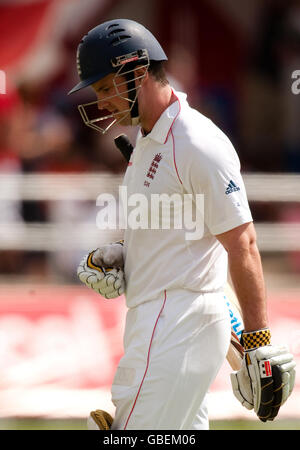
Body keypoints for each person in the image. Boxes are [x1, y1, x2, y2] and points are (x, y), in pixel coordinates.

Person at [69, 19, 295, 430]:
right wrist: (119, 256)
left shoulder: (196, 142)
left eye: (105, 89)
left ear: (136, 73)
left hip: (177, 327)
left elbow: (241, 242)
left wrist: (258, 343)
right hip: (155, 324)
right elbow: (176, 238)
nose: (102, 104)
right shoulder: (145, 144)